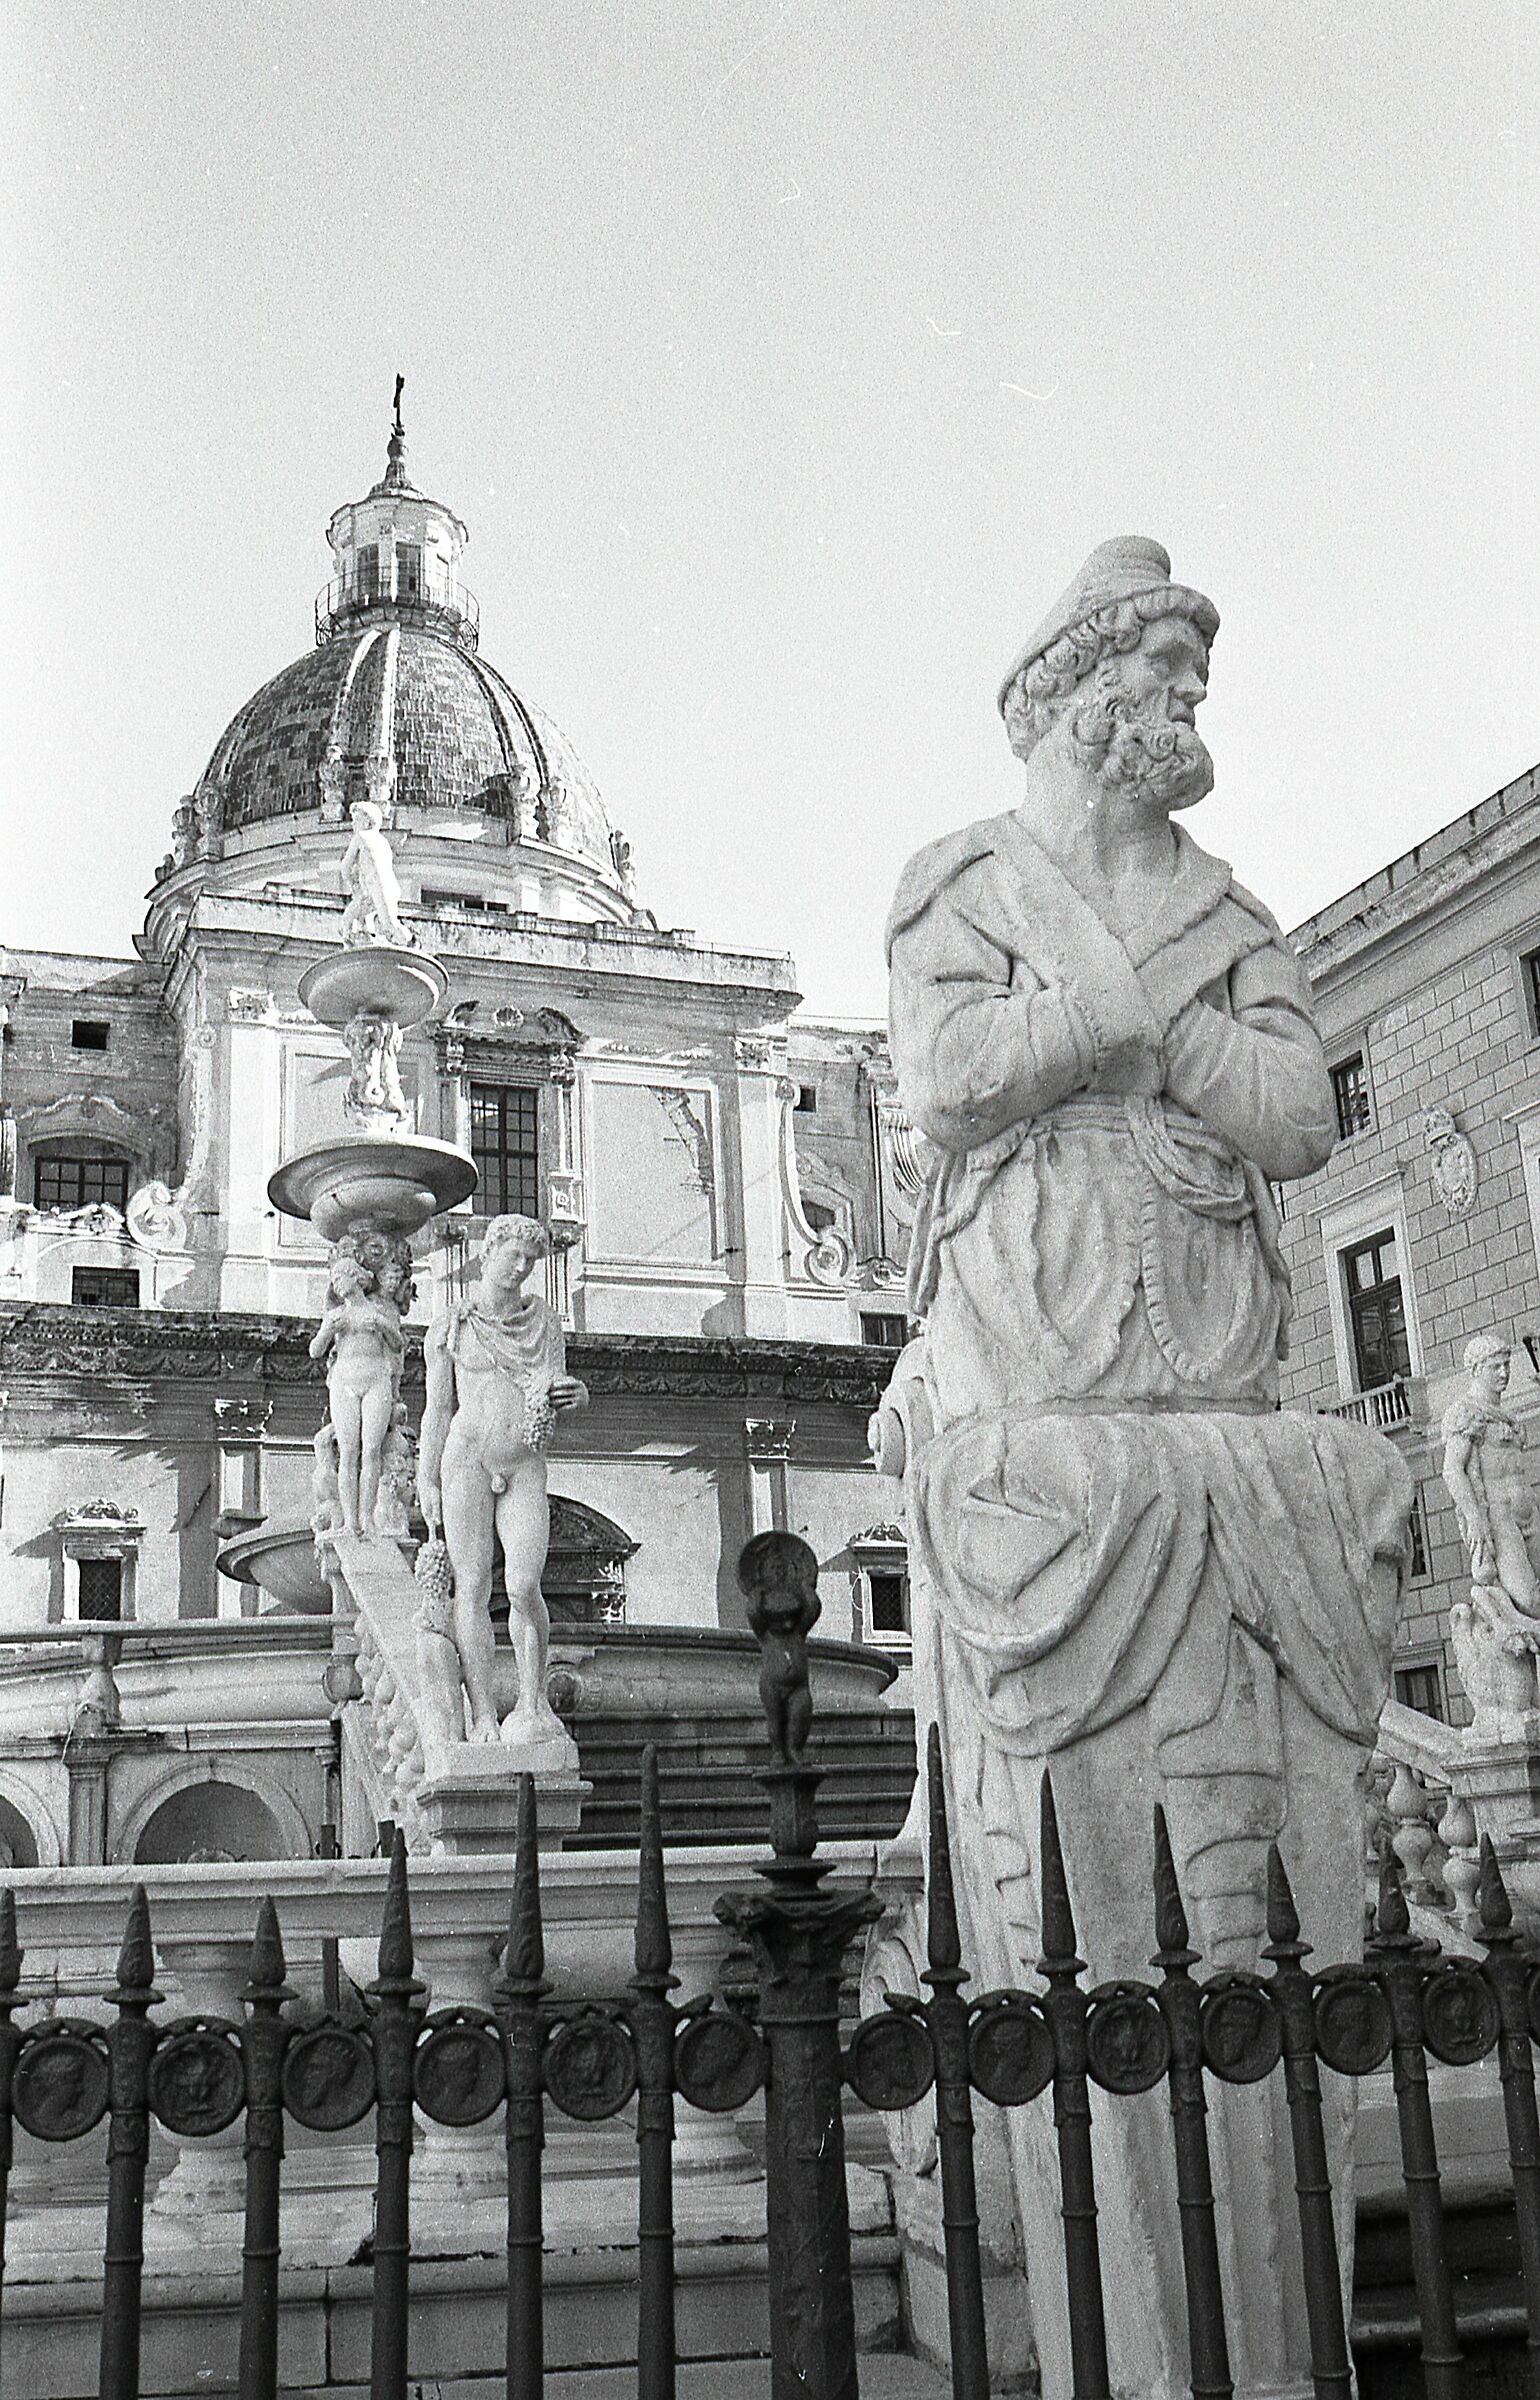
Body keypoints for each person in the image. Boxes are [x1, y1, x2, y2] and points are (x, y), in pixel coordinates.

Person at [884, 538, 1411, 2400]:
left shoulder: (1231, 910)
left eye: (1196, 680)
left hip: (1215, 1409)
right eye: (1162, 677)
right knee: (1085, 1953)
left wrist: (1139, 1025)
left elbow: (1293, 1114)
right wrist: (1107, 1027)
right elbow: (947, 1078)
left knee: (1263, 1951)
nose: (1187, 706)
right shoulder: (964, 886)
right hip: (1046, 1422)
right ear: (1072, 694)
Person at [418, 1215, 587, 1744]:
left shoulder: (545, 1322)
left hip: (523, 1462)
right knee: (471, 1586)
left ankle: (533, 1703)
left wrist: (578, 1395)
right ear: (487, 1253)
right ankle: (484, 1714)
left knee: (522, 1584)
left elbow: (554, 1390)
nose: (521, 1268)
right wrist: (426, 1478)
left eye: (530, 1261)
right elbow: (437, 1410)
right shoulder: (451, 1325)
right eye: (513, 1255)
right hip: (465, 1460)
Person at [1442, 1332, 1540, 1612]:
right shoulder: (1465, 1414)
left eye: (1506, 1365)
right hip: (1499, 1519)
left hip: (1530, 1512)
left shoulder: (1508, 1417)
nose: (1504, 1373)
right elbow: (1452, 1470)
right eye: (1495, 1367)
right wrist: (1475, 1519)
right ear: (1475, 1370)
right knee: (1529, 1600)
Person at [308, 1254, 404, 1536]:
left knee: (371, 1451)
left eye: (341, 1277)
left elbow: (397, 1344)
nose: (337, 1284)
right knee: (349, 1451)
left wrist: (383, 1325)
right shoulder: (336, 1315)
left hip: (376, 1379)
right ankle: (350, 1521)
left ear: (356, 1278)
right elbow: (315, 1350)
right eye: (334, 1280)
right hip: (345, 1382)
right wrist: (328, 1331)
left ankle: (367, 1518)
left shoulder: (378, 1311)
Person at [340, 800, 410, 947]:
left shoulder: (362, 836)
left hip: (378, 890)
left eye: (357, 820)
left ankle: (410, 943)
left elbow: (345, 866)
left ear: (368, 822)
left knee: (388, 924)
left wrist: (352, 884)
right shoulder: (384, 843)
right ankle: (364, 940)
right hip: (387, 889)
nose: (353, 824)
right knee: (356, 920)